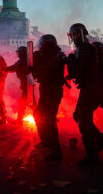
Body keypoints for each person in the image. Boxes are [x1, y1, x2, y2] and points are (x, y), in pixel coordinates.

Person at [66, 23, 103, 165]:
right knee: (78, 116)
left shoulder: (85, 48)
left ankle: (92, 156)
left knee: (84, 123)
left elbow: (79, 67)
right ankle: (100, 139)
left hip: (91, 89)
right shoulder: (82, 49)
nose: (74, 37)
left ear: (81, 34)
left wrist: (68, 60)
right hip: (88, 88)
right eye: (73, 35)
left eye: (76, 34)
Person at [32, 34, 65, 162]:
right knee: (37, 115)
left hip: (53, 92)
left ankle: (56, 152)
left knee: (49, 121)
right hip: (46, 91)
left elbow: (46, 71)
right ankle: (45, 141)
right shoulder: (47, 56)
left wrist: (36, 68)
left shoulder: (57, 56)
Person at [5, 46, 28, 125]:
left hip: (27, 84)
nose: (17, 54)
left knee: (25, 102)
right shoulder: (27, 60)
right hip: (29, 84)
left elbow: (13, 68)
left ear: (22, 53)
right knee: (28, 102)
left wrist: (3, 69)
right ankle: (40, 118)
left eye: (19, 52)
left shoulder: (22, 61)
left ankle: (40, 119)